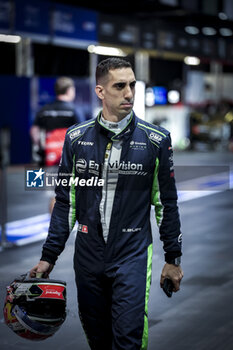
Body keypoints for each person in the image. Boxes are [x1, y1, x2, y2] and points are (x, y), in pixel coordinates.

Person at [30, 58, 183, 350]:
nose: (129, 93)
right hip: (88, 256)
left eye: (132, 85)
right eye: (120, 86)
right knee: (98, 339)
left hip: (133, 254)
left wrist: (173, 259)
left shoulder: (156, 140)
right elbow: (66, 203)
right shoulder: (76, 138)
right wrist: (49, 256)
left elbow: (166, 203)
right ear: (100, 92)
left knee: (128, 339)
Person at [30, 76, 80, 167]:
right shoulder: (74, 111)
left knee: (48, 180)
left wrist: (40, 149)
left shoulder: (44, 110)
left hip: (49, 157)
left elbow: (34, 131)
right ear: (69, 90)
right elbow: (83, 134)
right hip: (68, 158)